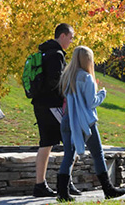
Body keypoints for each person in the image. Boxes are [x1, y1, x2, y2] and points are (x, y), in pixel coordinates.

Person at [57, 46, 125, 202]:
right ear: (88, 60)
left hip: (68, 119)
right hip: (84, 122)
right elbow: (91, 102)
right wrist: (102, 93)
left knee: (68, 155)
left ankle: (62, 193)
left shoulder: (67, 76)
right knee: (98, 154)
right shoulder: (87, 78)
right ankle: (108, 189)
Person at [32, 23, 82, 197]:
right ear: (62, 36)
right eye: (71, 37)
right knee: (72, 141)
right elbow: (56, 81)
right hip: (53, 105)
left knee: (46, 143)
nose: (71, 40)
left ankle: (40, 185)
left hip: (40, 104)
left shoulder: (44, 52)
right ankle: (65, 184)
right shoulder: (57, 55)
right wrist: (67, 96)